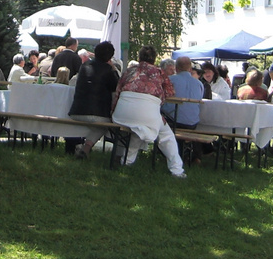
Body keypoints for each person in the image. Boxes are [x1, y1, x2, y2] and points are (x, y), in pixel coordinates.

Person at [113, 45, 186, 176]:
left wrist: (113, 111)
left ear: (139, 57)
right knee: (167, 136)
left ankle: (127, 161)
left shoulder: (129, 71)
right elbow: (170, 93)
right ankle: (177, 170)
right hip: (147, 113)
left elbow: (118, 91)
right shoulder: (159, 73)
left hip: (122, 112)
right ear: (154, 59)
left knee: (138, 129)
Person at [69, 41, 120, 158]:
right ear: (110, 56)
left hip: (76, 110)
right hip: (98, 113)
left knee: (99, 125)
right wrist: (113, 68)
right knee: (105, 125)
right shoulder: (108, 70)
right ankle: (86, 148)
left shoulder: (84, 66)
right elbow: (117, 87)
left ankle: (82, 148)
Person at [164, 56, 202, 129]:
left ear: (176, 68)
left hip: (173, 122)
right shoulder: (199, 84)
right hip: (192, 123)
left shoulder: (169, 80)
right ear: (190, 69)